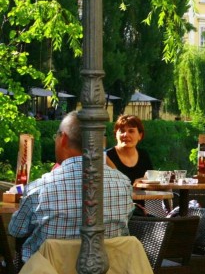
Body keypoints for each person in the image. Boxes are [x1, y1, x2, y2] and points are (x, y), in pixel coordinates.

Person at [10, 112, 134, 263]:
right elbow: (124, 231)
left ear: (63, 139)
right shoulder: (123, 184)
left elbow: (16, 230)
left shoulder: (39, 188)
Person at [104, 114, 153, 185]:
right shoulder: (107, 157)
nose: (126, 135)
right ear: (115, 134)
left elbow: (151, 180)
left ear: (140, 135)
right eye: (122, 131)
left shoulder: (144, 155)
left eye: (131, 131)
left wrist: (144, 181)